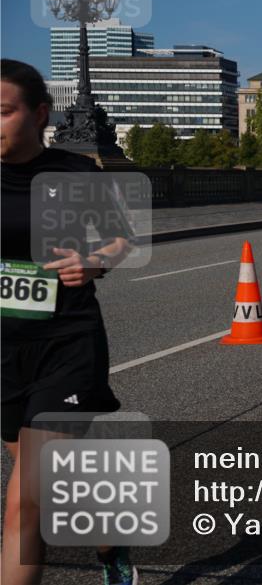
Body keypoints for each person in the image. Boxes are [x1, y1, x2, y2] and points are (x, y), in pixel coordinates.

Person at [1, 59, 137, 584]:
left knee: (25, 503)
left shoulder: (76, 173)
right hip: (3, 350)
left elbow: (121, 238)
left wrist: (94, 260)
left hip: (66, 342)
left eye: (3, 112)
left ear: (39, 114)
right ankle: (110, 540)